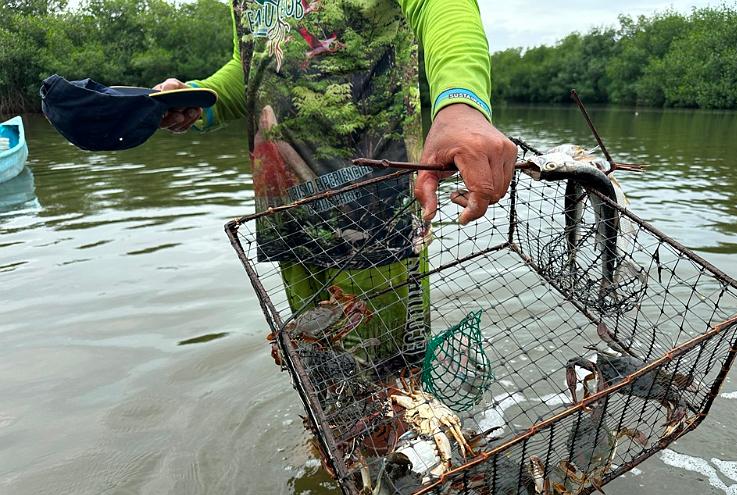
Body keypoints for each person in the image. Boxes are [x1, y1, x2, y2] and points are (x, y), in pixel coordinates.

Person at [154, 0, 517, 368]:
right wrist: (199, 98)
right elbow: (254, 63)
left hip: (374, 209)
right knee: (320, 364)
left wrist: (461, 103)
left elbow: (442, 7)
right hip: (289, 211)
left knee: (389, 379)